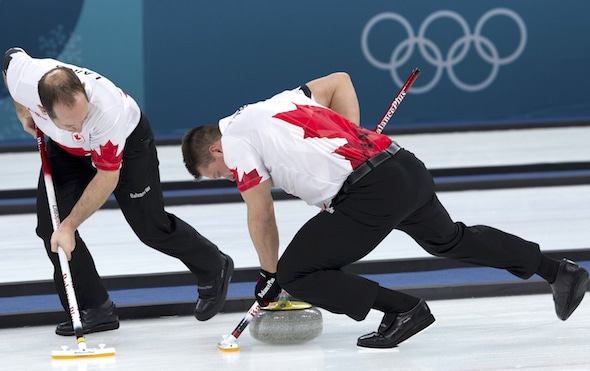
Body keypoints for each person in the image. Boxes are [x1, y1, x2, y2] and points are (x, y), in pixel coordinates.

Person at [181, 71, 589, 348]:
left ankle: (403, 310)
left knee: (295, 273)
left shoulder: (234, 142)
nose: (228, 176)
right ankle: (559, 272)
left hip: (371, 191)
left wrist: (270, 275)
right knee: (451, 239)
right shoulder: (270, 106)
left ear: (215, 148)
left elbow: (261, 213)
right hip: (401, 167)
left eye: (218, 173)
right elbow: (339, 81)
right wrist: (352, 139)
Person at [2, 47, 233, 336]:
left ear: (84, 94)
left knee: (149, 226)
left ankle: (213, 265)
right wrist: (23, 112)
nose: (80, 127)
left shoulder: (105, 110)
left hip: (129, 144)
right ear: (44, 108)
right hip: (65, 152)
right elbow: (9, 63)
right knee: (50, 227)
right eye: (71, 124)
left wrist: (70, 225)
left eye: (82, 118)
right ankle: (96, 308)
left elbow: (107, 178)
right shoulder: (26, 78)